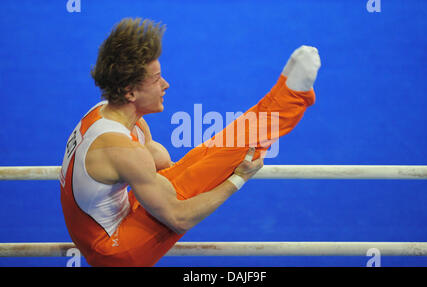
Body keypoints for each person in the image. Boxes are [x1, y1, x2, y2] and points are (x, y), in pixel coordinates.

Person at [59, 18, 321, 267]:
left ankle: (284, 96)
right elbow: (179, 218)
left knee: (207, 154)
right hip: (113, 254)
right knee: (209, 172)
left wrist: (196, 166)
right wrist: (237, 179)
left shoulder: (106, 113)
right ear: (130, 92)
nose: (166, 84)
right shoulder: (121, 149)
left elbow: (162, 162)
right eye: (156, 79)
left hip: (114, 219)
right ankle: (292, 99)